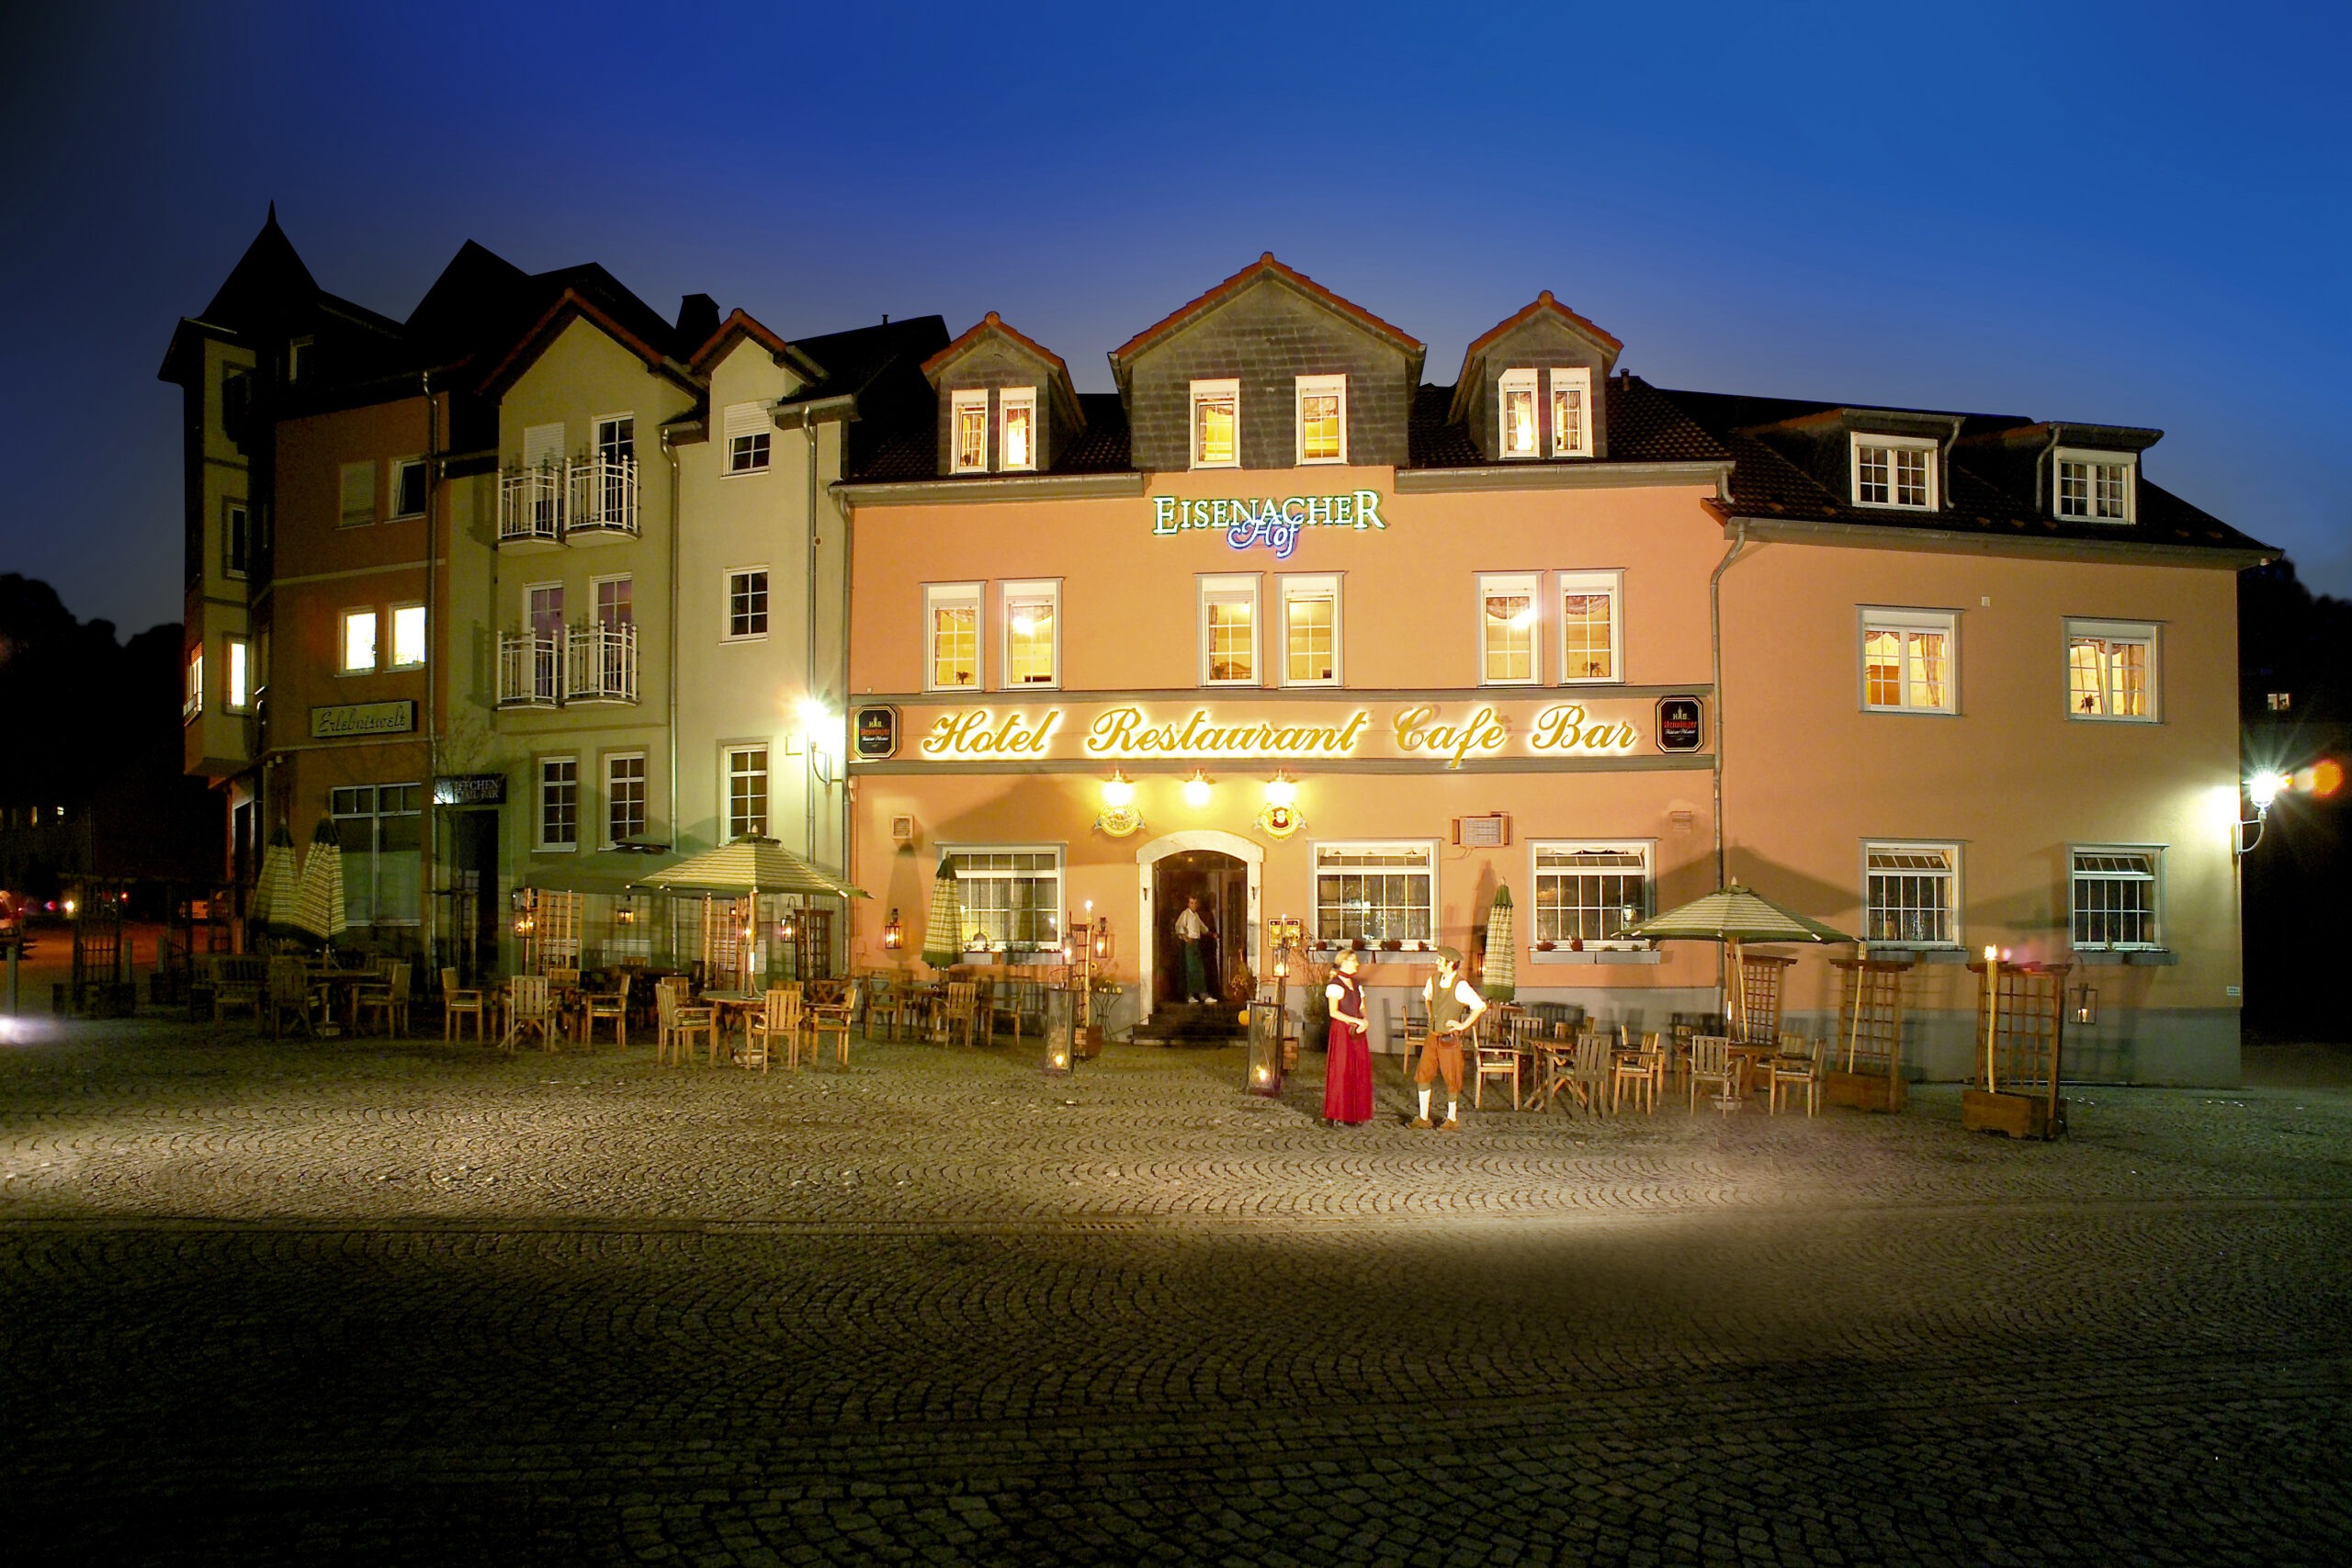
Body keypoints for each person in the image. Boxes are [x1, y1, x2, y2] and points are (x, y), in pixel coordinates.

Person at [1412, 945, 1487, 1130]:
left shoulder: (1461, 985)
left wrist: (1462, 1025)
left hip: (1449, 1039)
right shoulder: (1433, 980)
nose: (1437, 962)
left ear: (1450, 963)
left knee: (1452, 1076)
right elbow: (1427, 998)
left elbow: (1479, 1006)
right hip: (1432, 1035)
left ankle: (1452, 1118)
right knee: (1423, 1073)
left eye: (1440, 959)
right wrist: (1431, 1015)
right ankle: (1423, 1117)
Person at [1321, 946, 1373, 1125]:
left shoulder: (1357, 985)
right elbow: (1333, 1012)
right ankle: (1335, 1113)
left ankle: (1354, 1113)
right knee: (1341, 1070)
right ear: (1343, 963)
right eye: (1353, 960)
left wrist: (1365, 1020)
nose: (1356, 964)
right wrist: (1355, 1021)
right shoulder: (1335, 985)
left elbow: (1361, 1006)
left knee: (1358, 1069)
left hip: (1357, 1031)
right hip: (1343, 1031)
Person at [1173, 894, 1212, 1004]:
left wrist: (1210, 934)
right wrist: (1185, 937)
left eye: (1195, 903)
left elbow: (1202, 927)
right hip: (1189, 944)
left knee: (1199, 970)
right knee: (1190, 970)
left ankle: (1203, 994)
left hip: (1196, 943)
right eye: (1191, 903)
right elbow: (1178, 927)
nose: (1193, 905)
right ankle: (1190, 995)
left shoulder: (1196, 916)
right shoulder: (1185, 914)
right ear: (1188, 904)